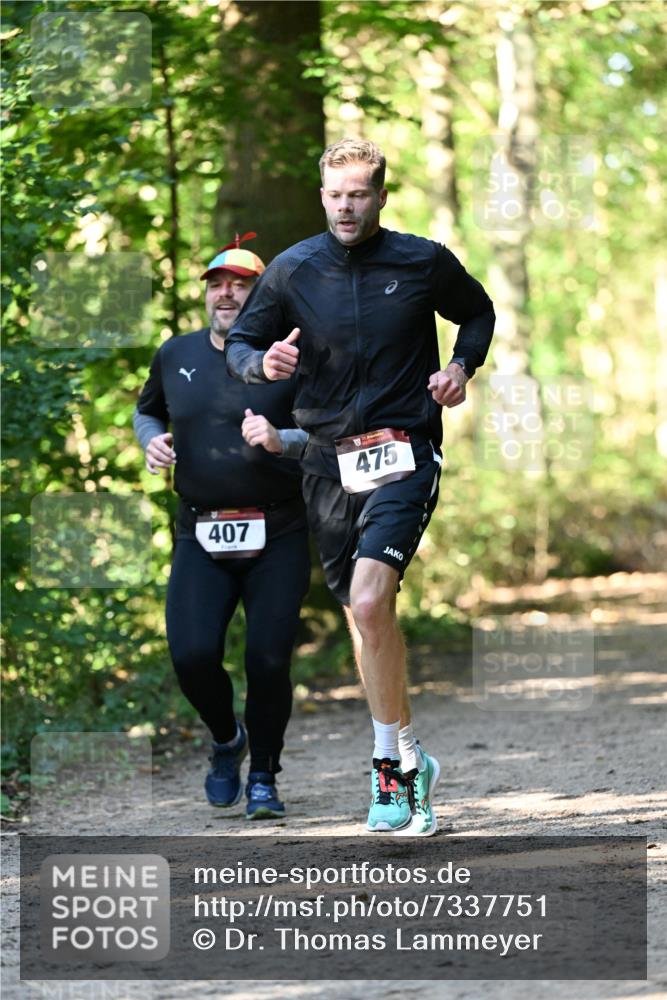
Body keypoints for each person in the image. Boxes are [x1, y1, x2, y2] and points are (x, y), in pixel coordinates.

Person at [227, 140, 495, 836]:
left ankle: (387, 773)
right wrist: (265, 363)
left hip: (403, 450)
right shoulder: (291, 269)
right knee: (363, 616)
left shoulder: (421, 261)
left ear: (380, 196)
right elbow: (239, 346)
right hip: (325, 464)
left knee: (373, 599)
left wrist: (461, 367)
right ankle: (413, 759)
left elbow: (478, 311)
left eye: (359, 194)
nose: (346, 206)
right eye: (334, 195)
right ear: (323, 197)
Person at [133, 233, 310, 820]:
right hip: (200, 533)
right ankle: (226, 739)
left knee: (266, 660)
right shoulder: (175, 353)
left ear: (263, 294)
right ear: (205, 294)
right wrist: (150, 441)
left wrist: (281, 440)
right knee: (190, 653)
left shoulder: (293, 356)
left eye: (241, 282)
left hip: (278, 532)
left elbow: (331, 433)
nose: (227, 292)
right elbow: (146, 408)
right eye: (217, 283)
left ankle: (263, 775)